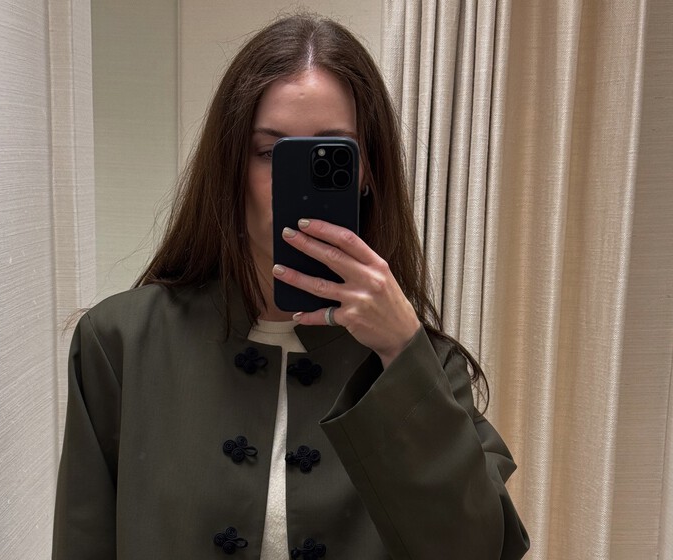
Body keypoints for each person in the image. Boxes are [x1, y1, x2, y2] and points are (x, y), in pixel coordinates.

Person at [52, 13, 529, 559]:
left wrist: (402, 354)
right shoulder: (119, 345)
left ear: (367, 173)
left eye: (332, 155)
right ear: (230, 166)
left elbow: (477, 549)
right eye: (268, 152)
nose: (292, 182)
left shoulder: (422, 366)